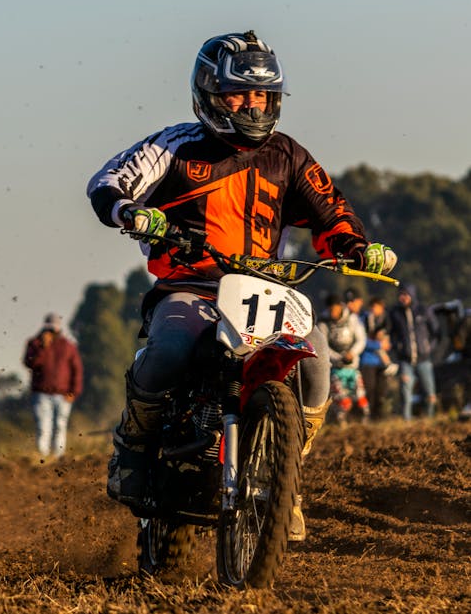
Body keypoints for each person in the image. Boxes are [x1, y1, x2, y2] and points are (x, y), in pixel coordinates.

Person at [87, 30, 397, 541]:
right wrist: (133, 214)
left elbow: (331, 211)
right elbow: (107, 181)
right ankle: (132, 448)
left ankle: (284, 482)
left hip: (266, 289)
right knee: (167, 350)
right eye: (239, 94)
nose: (252, 106)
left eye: (262, 95)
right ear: (209, 94)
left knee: (317, 361)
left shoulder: (289, 155)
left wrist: (357, 247)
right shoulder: (176, 146)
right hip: (192, 287)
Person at [23, 313, 83, 459]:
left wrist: (74, 391)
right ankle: (42, 456)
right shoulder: (35, 344)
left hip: (62, 394)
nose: (50, 331)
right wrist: (43, 347)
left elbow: (77, 369)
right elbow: (30, 363)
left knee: (60, 426)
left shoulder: (68, 346)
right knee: (43, 426)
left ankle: (58, 456)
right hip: (41, 393)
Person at [318, 294, 370, 424]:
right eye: (330, 310)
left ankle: (365, 422)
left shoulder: (352, 319)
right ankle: (341, 424)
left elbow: (361, 339)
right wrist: (339, 358)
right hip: (335, 368)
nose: (333, 313)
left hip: (353, 367)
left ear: (340, 307)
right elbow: (323, 345)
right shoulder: (324, 322)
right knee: (341, 399)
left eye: (335, 309)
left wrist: (352, 353)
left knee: (360, 395)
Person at [389, 284, 439, 420]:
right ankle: (407, 422)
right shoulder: (395, 313)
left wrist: (429, 348)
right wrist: (397, 348)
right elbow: (392, 335)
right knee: (405, 392)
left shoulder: (424, 311)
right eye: (400, 294)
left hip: (424, 360)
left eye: (405, 294)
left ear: (412, 294)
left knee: (430, 393)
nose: (402, 297)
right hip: (406, 360)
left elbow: (436, 333)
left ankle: (429, 420)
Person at [359, 297, 398, 419]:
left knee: (381, 391)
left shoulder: (388, 320)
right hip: (368, 361)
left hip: (383, 362)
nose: (374, 310)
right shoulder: (363, 320)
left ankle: (379, 416)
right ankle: (368, 415)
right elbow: (362, 341)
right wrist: (378, 344)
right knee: (369, 389)